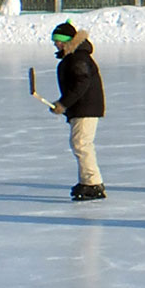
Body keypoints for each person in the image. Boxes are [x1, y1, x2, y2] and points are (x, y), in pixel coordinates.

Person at [50, 21, 107, 201]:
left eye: (58, 40)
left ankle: (93, 183)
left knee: (82, 144)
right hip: (83, 107)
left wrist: (64, 104)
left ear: (67, 40)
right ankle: (88, 180)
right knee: (80, 144)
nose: (55, 44)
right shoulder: (75, 56)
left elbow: (81, 83)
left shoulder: (78, 58)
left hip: (86, 108)